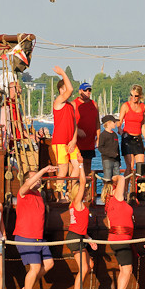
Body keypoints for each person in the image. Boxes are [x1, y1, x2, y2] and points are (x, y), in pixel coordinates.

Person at [15, 165, 58, 289]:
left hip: (39, 237)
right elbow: (27, 184)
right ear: (28, 179)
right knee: (34, 268)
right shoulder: (23, 193)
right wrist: (44, 170)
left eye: (40, 178)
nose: (39, 180)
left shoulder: (38, 194)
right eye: (36, 178)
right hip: (25, 236)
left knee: (49, 264)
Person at [67, 166, 97, 289]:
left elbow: (81, 225)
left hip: (81, 236)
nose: (85, 192)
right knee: (83, 268)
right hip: (74, 237)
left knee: (89, 264)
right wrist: (80, 166)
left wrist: (89, 239)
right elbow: (83, 181)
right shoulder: (77, 203)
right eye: (83, 190)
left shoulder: (75, 205)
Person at [105, 174, 136, 289]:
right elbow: (122, 178)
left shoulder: (110, 205)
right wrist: (116, 177)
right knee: (127, 269)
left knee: (123, 269)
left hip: (118, 239)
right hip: (121, 239)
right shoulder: (116, 199)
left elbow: (109, 223)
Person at [49, 67, 80, 197]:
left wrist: (74, 140)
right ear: (61, 90)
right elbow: (70, 89)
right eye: (65, 89)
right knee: (63, 170)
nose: (69, 92)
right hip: (60, 141)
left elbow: (74, 125)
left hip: (70, 141)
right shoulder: (58, 102)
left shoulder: (70, 106)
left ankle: (70, 191)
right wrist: (62, 73)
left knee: (78, 166)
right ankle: (59, 195)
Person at [118, 85, 145, 173]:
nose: (133, 98)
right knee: (130, 167)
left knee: (140, 166)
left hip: (138, 139)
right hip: (127, 138)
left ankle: (137, 186)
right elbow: (119, 121)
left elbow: (142, 124)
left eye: (135, 96)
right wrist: (119, 129)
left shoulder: (143, 107)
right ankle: (125, 186)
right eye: (131, 95)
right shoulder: (125, 106)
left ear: (140, 96)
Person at [73, 82, 99, 176]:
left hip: (90, 141)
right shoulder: (74, 104)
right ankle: (73, 188)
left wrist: (98, 138)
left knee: (88, 165)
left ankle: (87, 188)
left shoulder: (94, 104)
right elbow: (69, 123)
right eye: (85, 90)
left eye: (89, 90)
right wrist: (77, 130)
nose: (87, 92)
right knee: (76, 166)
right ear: (80, 91)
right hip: (77, 142)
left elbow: (97, 122)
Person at [98, 115, 122, 183]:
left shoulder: (114, 134)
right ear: (108, 123)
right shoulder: (103, 135)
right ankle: (107, 192)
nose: (115, 123)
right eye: (114, 122)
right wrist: (111, 154)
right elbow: (100, 148)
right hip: (107, 159)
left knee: (116, 179)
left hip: (116, 160)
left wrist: (119, 160)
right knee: (107, 178)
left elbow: (117, 148)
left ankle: (115, 191)